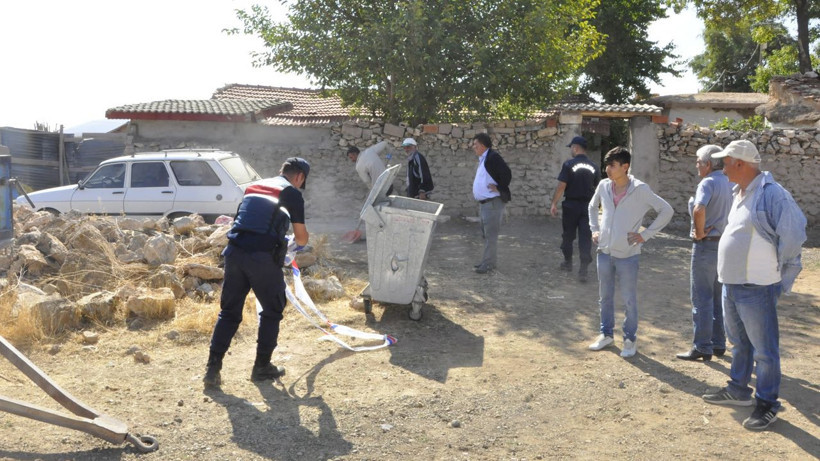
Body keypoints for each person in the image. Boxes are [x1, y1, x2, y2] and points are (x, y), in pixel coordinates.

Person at [702, 140, 806, 431]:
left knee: (764, 350)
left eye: (726, 162)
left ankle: (767, 403)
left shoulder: (772, 194)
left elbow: (795, 233)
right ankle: (738, 390)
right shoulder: (740, 192)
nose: (722, 167)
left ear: (741, 164)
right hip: (733, 284)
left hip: (757, 286)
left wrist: (776, 266)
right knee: (739, 344)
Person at [204, 157, 311, 388]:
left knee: (229, 312)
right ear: (300, 177)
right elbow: (302, 238)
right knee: (273, 309)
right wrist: (292, 243)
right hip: (261, 257)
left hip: (233, 253)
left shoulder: (253, 187)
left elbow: (246, 221)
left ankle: (212, 369)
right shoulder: (292, 193)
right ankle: (261, 367)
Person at [587, 147, 673, 358]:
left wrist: (646, 234)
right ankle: (606, 335)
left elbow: (666, 210)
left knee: (628, 300)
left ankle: (629, 340)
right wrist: (595, 229)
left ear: (625, 167)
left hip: (628, 255)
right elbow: (592, 207)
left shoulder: (640, 190)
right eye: (606, 165)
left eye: (612, 165)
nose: (607, 169)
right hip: (604, 251)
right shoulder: (604, 185)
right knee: (604, 297)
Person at [676, 145, 732, 362]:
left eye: (698, 161)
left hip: (706, 245)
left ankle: (702, 346)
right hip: (724, 245)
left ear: (708, 164)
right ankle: (718, 343)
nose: (696, 165)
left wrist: (698, 233)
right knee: (718, 296)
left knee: (701, 297)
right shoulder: (730, 181)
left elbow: (699, 209)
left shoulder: (707, 182)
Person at [549, 135, 600, 283]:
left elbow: (562, 186)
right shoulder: (594, 166)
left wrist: (554, 203)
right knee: (585, 238)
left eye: (571, 147)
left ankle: (568, 263)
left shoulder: (568, 164)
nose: (571, 150)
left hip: (571, 205)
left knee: (568, 235)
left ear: (575, 148)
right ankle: (583, 271)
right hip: (588, 207)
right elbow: (598, 188)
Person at [471, 132, 511, 274]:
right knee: (486, 234)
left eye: (475, 145)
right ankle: (488, 261)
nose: (473, 147)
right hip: (486, 204)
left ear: (482, 145)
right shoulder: (485, 158)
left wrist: (499, 188)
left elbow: (507, 173)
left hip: (492, 203)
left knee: (490, 235)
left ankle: (488, 264)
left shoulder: (493, 157)